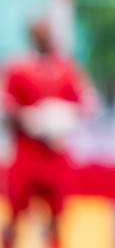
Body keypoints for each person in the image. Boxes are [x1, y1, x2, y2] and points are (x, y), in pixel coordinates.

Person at [1, 19, 94, 248]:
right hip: (26, 151)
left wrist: (61, 118)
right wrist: (28, 119)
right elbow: (7, 105)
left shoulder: (67, 70)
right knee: (15, 213)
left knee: (56, 216)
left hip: (55, 152)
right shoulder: (18, 69)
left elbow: (85, 105)